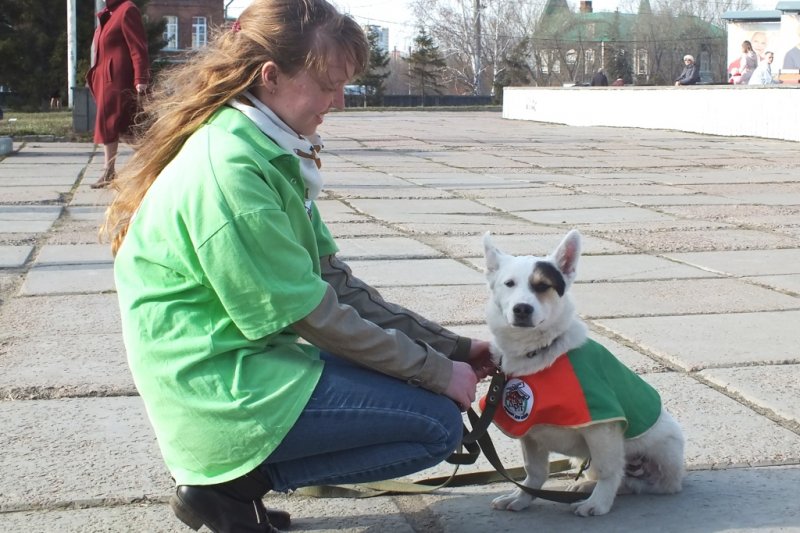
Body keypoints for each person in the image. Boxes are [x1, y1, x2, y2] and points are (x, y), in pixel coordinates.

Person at [101, 1, 495, 532]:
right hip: (220, 392)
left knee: (423, 385)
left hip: (245, 366)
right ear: (271, 77)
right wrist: (436, 372)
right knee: (434, 423)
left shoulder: (264, 148)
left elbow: (335, 283)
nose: (337, 102)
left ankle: (233, 489)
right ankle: (227, 486)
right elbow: (314, 316)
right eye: (328, 85)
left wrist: (452, 349)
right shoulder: (232, 172)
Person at [86, 0, 150, 189]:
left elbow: (138, 47)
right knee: (113, 125)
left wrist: (141, 78)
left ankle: (155, 162)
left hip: (119, 80)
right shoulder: (110, 12)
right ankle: (109, 170)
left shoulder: (127, 10)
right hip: (106, 80)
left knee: (124, 125)